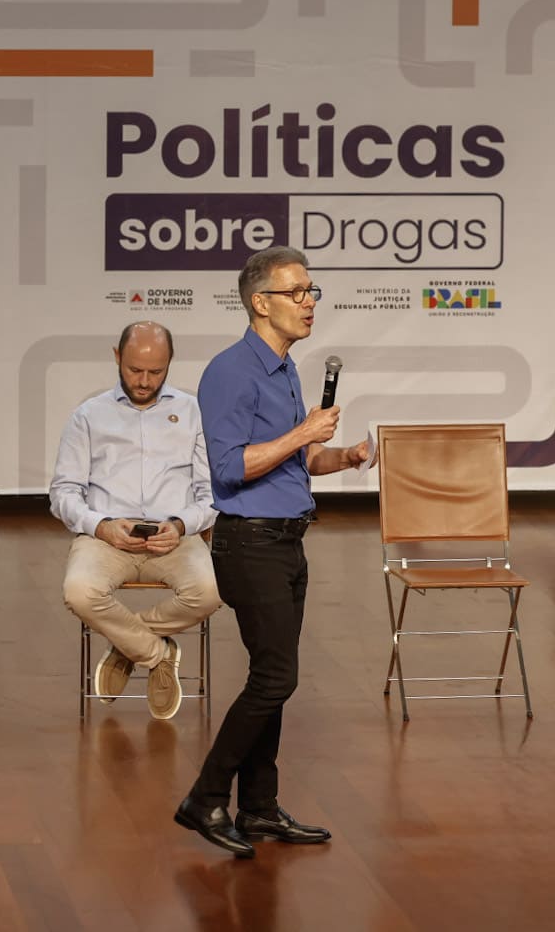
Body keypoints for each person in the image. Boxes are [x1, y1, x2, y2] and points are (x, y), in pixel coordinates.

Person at [173, 247, 369, 859]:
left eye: (312, 291)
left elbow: (297, 460)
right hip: (249, 542)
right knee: (276, 676)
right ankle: (205, 797)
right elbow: (230, 467)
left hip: (287, 540)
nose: (310, 303)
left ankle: (258, 807)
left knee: (272, 678)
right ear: (261, 302)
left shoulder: (285, 367)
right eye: (297, 292)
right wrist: (303, 431)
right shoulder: (231, 372)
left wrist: (341, 456)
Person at [51, 321, 221, 720]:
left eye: (156, 371)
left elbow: (212, 493)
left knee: (211, 593)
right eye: (134, 370)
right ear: (117, 357)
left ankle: (127, 646)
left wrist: (180, 526)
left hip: (175, 537)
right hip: (107, 537)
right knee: (79, 592)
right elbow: (63, 493)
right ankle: (157, 654)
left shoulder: (193, 412)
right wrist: (102, 526)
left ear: (170, 363)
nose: (144, 381)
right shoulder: (88, 416)